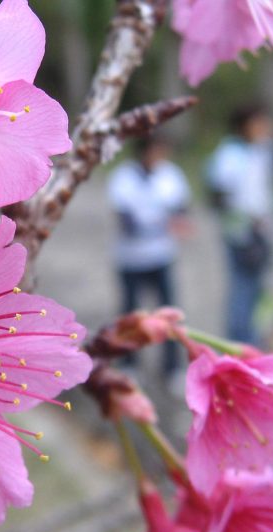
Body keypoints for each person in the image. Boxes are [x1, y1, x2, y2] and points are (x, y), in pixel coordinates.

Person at [106, 135, 191, 380]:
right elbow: (126, 223)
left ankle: (172, 367)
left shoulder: (171, 175)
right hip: (131, 258)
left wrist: (175, 221)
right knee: (131, 313)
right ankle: (129, 362)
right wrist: (164, 222)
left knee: (169, 313)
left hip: (162, 256)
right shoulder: (123, 178)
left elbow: (182, 208)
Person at [206, 104, 273, 345]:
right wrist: (245, 223)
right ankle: (237, 341)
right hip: (241, 234)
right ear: (243, 126)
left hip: (264, 230)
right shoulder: (228, 155)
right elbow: (218, 197)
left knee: (259, 287)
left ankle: (254, 338)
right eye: (258, 123)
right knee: (241, 286)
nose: (264, 128)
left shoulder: (264, 149)